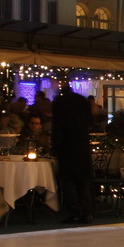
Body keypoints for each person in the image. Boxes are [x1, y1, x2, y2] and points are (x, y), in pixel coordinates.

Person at [50, 84, 93, 223]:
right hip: (82, 145)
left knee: (69, 181)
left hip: (66, 146)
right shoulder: (82, 101)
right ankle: (86, 212)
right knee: (83, 181)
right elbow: (90, 122)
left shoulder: (60, 103)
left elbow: (57, 127)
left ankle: (74, 212)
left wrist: (55, 147)